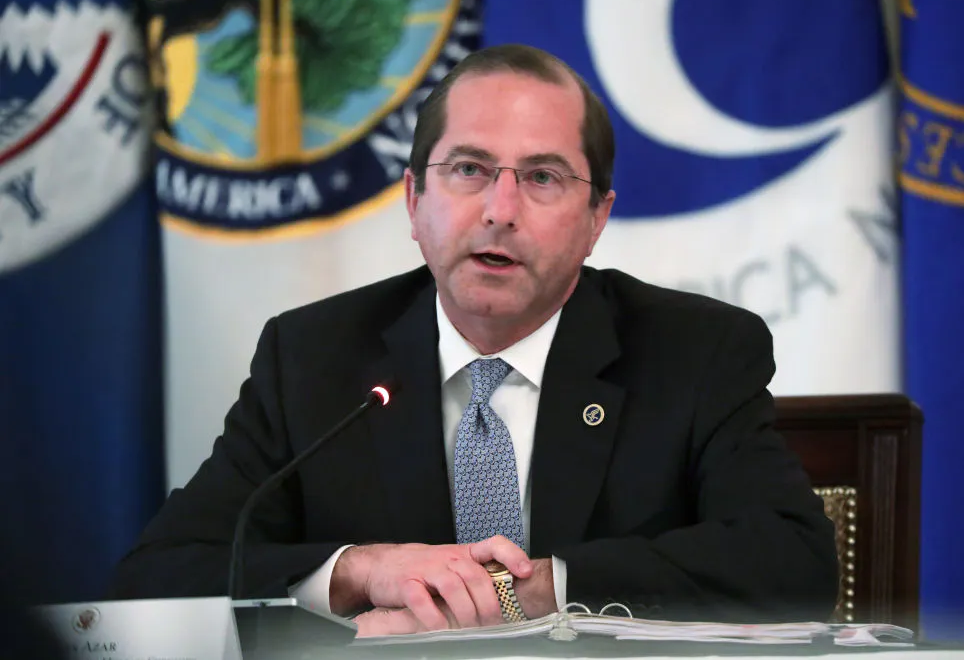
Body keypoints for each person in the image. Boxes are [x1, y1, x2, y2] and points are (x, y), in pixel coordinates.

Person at [109, 44, 839, 636]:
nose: (500, 209)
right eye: (468, 169)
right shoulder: (313, 357)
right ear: (414, 200)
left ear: (596, 219)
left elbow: (793, 562)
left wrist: (530, 591)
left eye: (543, 177)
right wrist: (362, 570)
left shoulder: (697, 351)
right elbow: (160, 575)